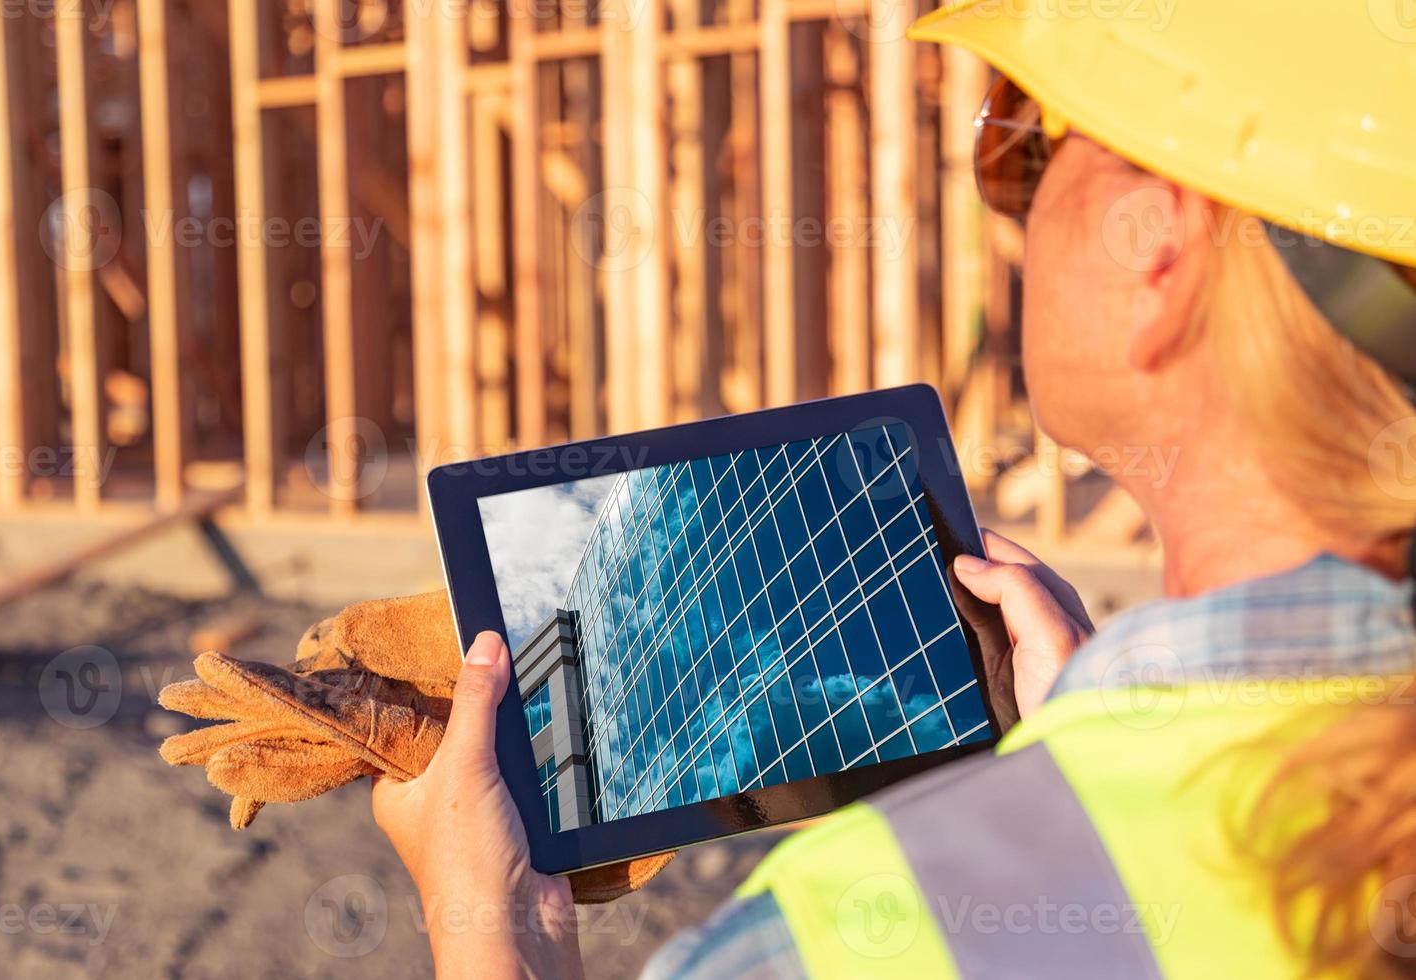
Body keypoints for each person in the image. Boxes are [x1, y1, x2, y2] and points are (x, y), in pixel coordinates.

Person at [373, 1, 1416, 976]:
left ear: (1157, 244)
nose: (1013, 208)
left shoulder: (851, 933)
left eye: (1027, 141)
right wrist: (1098, 727)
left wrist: (490, 928)